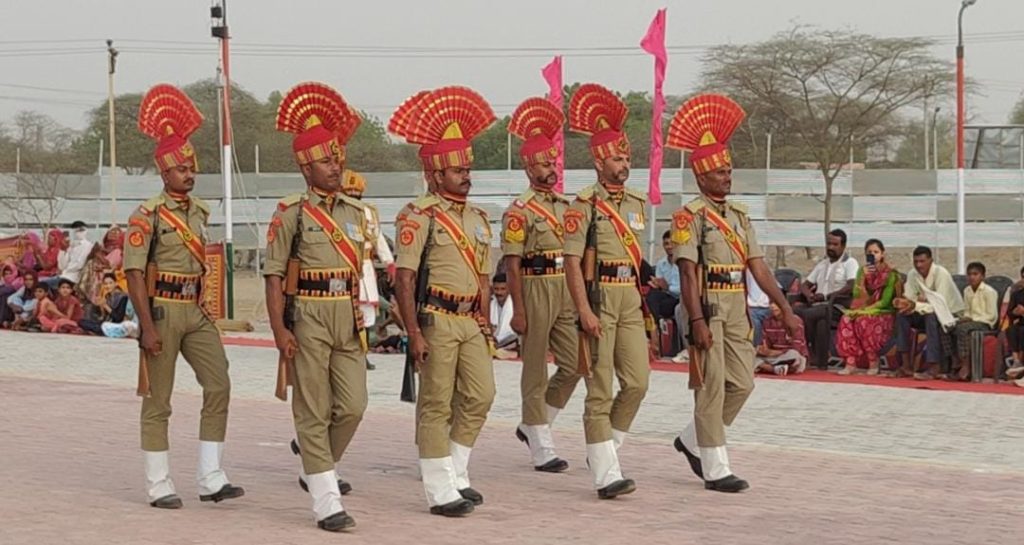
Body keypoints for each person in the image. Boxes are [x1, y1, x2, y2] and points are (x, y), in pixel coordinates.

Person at [666, 93, 801, 493]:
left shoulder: (740, 216)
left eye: (729, 169)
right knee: (709, 387)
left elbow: (757, 265)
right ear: (701, 176)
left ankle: (691, 439)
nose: (727, 176)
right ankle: (714, 466)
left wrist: (784, 307)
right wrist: (695, 320)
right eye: (720, 171)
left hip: (737, 307)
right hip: (707, 307)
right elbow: (687, 273)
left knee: (742, 383)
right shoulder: (688, 217)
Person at [124, 84, 242, 510]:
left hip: (195, 309)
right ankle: (159, 483)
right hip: (162, 309)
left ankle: (211, 476)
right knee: (159, 399)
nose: (189, 174)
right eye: (181, 169)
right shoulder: (147, 215)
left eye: (191, 167)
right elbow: (134, 272)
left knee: (220, 383)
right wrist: (146, 326)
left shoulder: (200, 212)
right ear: (164, 173)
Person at [264, 82, 368, 532]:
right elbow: (271, 276)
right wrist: (279, 331)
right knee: (312, 407)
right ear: (307, 167)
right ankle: (326, 501)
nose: (336, 165)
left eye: (337, 157)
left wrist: (362, 307)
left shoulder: (354, 211)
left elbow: (359, 267)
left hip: (346, 313)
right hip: (306, 312)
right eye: (326, 160)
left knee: (353, 405)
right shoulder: (291, 213)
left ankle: (314, 462)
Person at [391, 86, 497, 517]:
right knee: (435, 403)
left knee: (481, 395)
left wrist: (487, 321)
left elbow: (486, 278)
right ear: (435, 175)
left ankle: (454, 469)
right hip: (434, 316)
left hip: (470, 320)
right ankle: (439, 489)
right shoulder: (417, 215)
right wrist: (412, 331)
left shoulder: (479, 217)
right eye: (457, 170)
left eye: (468, 168)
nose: (466, 175)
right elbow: (404, 276)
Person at [563, 84, 650, 499]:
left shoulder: (636, 203)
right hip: (598, 299)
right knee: (599, 386)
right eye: (617, 158)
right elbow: (572, 262)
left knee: (637, 382)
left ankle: (605, 449)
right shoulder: (583, 206)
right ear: (599, 163)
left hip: (629, 297)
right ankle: (605, 473)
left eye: (627, 157)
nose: (625, 163)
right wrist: (583, 309)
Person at [501, 96, 581, 474]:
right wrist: (517, 309)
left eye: (553, 161)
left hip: (564, 283)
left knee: (576, 363)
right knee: (534, 367)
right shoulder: (519, 211)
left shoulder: (567, 206)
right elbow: (512, 265)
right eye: (544, 163)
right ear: (528, 167)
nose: (551, 168)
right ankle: (541, 444)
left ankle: (535, 423)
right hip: (532, 286)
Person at [340, 168, 395, 371]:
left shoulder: (369, 212)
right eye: (350, 194)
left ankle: (362, 353)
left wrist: (389, 263)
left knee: (367, 316)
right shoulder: (335, 212)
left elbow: (378, 239)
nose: (355, 198)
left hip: (366, 269)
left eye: (358, 195)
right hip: (344, 268)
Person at [893, 246, 964, 380]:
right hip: (924, 310)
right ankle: (906, 364)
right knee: (902, 315)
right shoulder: (913, 274)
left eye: (922, 261)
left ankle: (934, 366)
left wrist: (915, 304)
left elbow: (939, 304)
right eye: (916, 262)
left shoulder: (940, 273)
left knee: (931, 317)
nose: (919, 265)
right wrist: (906, 304)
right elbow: (909, 296)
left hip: (949, 313)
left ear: (931, 260)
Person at [834, 239, 903, 375]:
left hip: (884, 313)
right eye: (869, 252)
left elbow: (885, 301)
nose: (873, 255)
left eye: (876, 252)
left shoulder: (890, 274)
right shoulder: (862, 271)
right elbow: (857, 296)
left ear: (882, 254)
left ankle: (873, 362)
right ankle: (850, 362)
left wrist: (864, 311)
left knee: (863, 320)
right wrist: (862, 279)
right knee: (846, 319)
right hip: (863, 310)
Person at [795, 229, 858, 368]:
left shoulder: (850, 263)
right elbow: (805, 285)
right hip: (819, 306)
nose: (830, 247)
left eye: (835, 244)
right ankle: (820, 360)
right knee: (798, 312)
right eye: (828, 244)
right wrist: (810, 296)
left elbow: (851, 285)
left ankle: (809, 351)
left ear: (843, 246)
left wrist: (828, 296)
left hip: (837, 306)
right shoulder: (822, 264)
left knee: (810, 314)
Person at [950, 262, 998, 381]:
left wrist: (971, 319)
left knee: (962, 329)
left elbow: (992, 316)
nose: (972, 277)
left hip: (985, 323)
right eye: (970, 274)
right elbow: (967, 311)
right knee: (947, 327)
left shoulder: (989, 291)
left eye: (975, 274)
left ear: (982, 276)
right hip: (971, 321)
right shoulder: (967, 290)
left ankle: (965, 365)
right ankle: (955, 361)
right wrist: (964, 318)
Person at [755, 303, 808, 376]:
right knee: (750, 355)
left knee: (794, 356)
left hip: (788, 355)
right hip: (773, 357)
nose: (773, 306)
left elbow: (797, 348)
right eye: (771, 304)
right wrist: (763, 349)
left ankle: (766, 367)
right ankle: (775, 369)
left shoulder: (795, 321)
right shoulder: (767, 321)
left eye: (776, 304)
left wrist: (774, 352)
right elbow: (766, 344)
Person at [648, 230, 681, 320]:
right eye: (666, 244)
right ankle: (654, 325)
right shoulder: (660, 263)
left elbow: (681, 290)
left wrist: (667, 288)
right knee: (652, 296)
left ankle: (655, 325)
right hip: (666, 296)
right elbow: (660, 285)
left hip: (680, 299)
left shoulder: (682, 263)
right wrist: (656, 285)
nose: (669, 247)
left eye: (672, 243)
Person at [57, 220, 93, 285]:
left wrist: (66, 270)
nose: (78, 233)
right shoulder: (70, 246)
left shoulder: (88, 246)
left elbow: (80, 265)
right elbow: (62, 266)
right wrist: (62, 250)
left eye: (81, 230)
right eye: (76, 231)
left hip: (74, 278)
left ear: (86, 231)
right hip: (64, 276)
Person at [489, 272, 516, 351]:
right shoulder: (490, 302)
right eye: (496, 289)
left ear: (509, 289)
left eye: (503, 289)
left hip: (510, 341)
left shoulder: (515, 304)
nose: (499, 293)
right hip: (493, 341)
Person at [747, 269, 772, 347]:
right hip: (751, 306)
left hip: (768, 305)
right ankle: (757, 347)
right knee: (754, 319)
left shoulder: (765, 270)